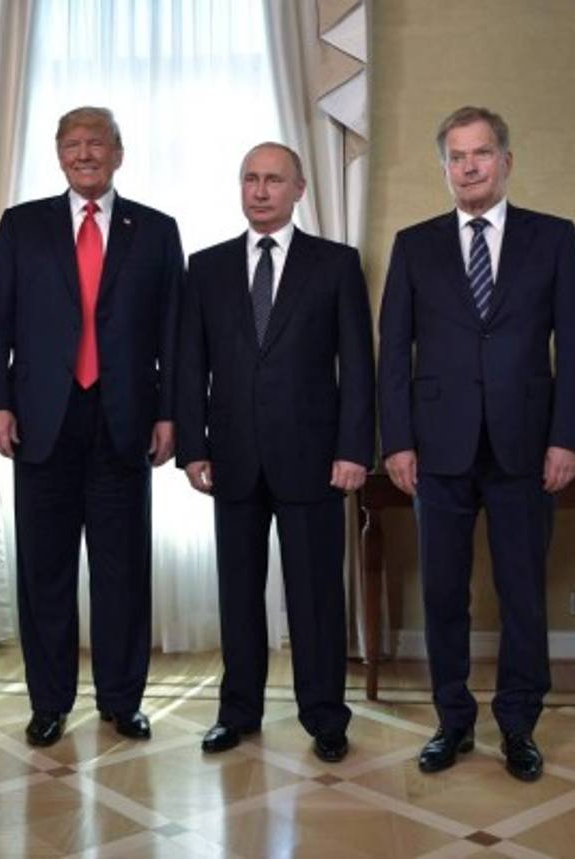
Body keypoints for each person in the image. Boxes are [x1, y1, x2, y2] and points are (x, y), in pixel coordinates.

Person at [377, 106, 575, 781]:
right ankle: (452, 719)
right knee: (444, 592)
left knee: (522, 589)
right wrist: (397, 442)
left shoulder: (554, 238)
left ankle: (520, 723)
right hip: (435, 448)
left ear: (505, 159)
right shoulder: (413, 245)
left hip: (527, 447)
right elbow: (393, 355)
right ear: (444, 167)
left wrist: (567, 438)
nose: (469, 166)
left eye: (481, 153)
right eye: (457, 157)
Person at [0, 107, 184, 748]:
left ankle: (123, 700)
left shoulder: (155, 229)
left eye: (97, 143)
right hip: (42, 420)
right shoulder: (22, 226)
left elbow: (173, 334)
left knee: (123, 569)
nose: (84, 153)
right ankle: (49, 702)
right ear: (58, 155)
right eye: (72, 144)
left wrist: (171, 411)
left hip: (125, 419)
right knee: (46, 569)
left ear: (119, 152)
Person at [176, 143, 374, 762]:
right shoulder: (205, 267)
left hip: (315, 457)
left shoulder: (336, 264)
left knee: (316, 594)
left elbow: (358, 368)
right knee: (237, 591)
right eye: (250, 179)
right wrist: (192, 446)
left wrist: (353, 449)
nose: (260, 190)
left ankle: (325, 716)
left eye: (273, 180)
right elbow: (190, 365)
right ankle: (238, 711)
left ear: (300, 189)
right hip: (231, 455)